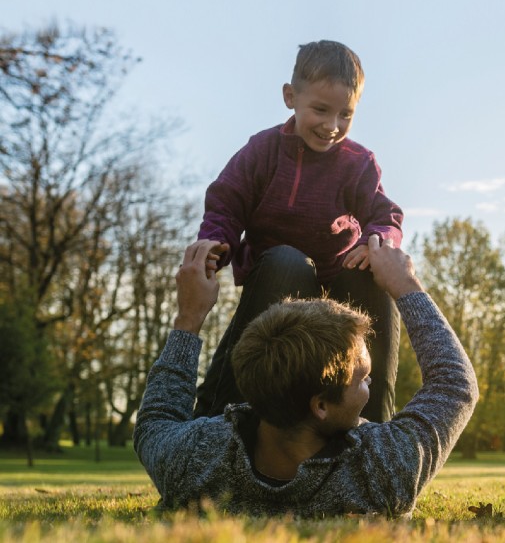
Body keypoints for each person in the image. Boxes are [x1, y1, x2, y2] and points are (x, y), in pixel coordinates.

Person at [133, 236, 478, 516]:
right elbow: (455, 383)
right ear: (321, 406)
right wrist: (407, 286)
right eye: (362, 378)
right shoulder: (381, 470)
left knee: (282, 262)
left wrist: (188, 317)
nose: (369, 384)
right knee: (358, 277)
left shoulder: (193, 463)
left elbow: (155, 421)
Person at [194, 40, 404, 422]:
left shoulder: (357, 163)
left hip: (338, 289)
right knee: (287, 260)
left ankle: (375, 433)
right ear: (290, 97)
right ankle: (218, 420)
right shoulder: (263, 151)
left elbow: (384, 213)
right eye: (321, 110)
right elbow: (226, 202)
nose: (332, 126)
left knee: (373, 272)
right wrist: (215, 244)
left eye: (346, 114)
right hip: (278, 283)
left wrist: (379, 243)